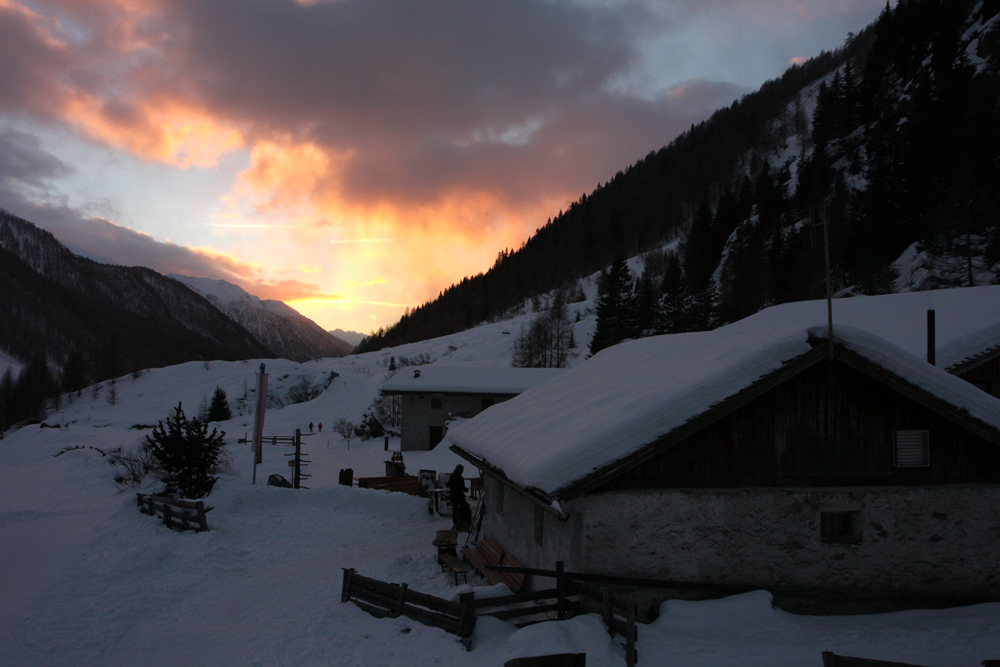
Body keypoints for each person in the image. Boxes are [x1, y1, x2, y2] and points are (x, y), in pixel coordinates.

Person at [448, 464, 471, 531]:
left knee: (455, 510)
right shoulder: (459, 478)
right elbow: (461, 487)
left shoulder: (452, 477)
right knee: (464, 510)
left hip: (453, 496)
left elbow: (450, 485)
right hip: (459, 496)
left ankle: (456, 525)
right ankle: (464, 524)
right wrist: (465, 489)